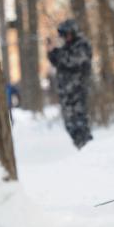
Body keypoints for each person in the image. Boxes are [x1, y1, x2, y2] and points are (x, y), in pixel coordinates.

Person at [46, 19, 93, 149]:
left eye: (67, 34)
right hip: (66, 93)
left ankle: (88, 149)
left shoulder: (82, 45)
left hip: (77, 91)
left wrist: (56, 52)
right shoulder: (66, 47)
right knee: (70, 125)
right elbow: (56, 61)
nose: (65, 38)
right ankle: (82, 148)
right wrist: (51, 50)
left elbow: (71, 61)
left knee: (80, 123)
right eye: (63, 35)